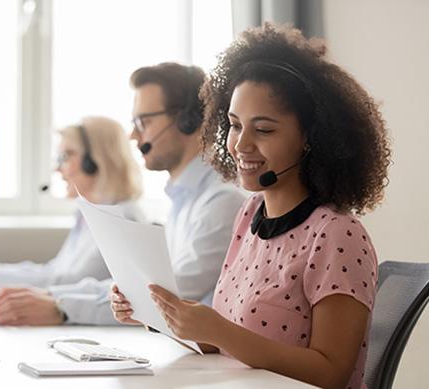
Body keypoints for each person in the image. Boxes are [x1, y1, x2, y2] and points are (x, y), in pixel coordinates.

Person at [111, 24, 391, 389]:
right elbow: (231, 345)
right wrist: (157, 315)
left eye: (264, 130)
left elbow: (331, 372)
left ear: (310, 138)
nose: (240, 145)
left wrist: (220, 332)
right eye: (234, 125)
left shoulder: (337, 234)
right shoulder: (249, 215)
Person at [0, 62, 246, 326]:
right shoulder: (182, 201)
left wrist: (63, 307)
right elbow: (136, 286)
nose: (133, 135)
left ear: (188, 122)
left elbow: (168, 296)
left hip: (207, 359)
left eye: (144, 121)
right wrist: (55, 298)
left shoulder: (220, 202)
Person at [0, 116, 144, 325]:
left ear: (94, 161)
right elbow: (54, 271)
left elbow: (69, 281)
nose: (58, 169)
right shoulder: (87, 215)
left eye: (66, 156)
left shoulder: (123, 218)